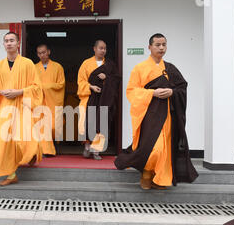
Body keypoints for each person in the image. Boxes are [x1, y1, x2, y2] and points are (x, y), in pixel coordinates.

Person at [114, 33, 198, 189]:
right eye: (157, 45)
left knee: (166, 147)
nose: (161, 48)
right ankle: (146, 172)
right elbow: (131, 91)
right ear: (149, 47)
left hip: (168, 115)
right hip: (150, 115)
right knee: (155, 148)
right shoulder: (139, 68)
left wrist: (172, 93)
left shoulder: (170, 68)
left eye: (164, 44)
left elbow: (182, 88)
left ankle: (160, 179)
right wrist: (152, 93)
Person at [0, 32, 43, 186]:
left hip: (23, 105)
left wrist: (19, 91)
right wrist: (0, 92)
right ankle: (11, 174)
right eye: (6, 41)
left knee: (23, 138)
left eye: (12, 40)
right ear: (3, 45)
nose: (9, 43)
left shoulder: (28, 64)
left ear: (18, 43)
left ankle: (31, 153)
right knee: (4, 141)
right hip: (4, 106)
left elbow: (36, 87)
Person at [77, 40, 120, 160]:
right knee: (86, 122)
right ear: (94, 49)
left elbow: (117, 79)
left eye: (105, 48)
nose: (103, 51)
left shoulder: (110, 65)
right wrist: (91, 87)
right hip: (90, 97)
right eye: (101, 48)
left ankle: (96, 150)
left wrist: (107, 78)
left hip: (105, 98)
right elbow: (80, 81)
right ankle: (87, 145)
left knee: (101, 123)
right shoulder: (86, 63)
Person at [34, 44, 65, 156]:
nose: (42, 55)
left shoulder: (58, 67)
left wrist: (46, 87)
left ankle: (52, 145)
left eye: (44, 52)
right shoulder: (34, 67)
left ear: (49, 52)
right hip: (40, 102)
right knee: (42, 125)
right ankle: (46, 150)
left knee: (54, 125)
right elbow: (32, 85)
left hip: (53, 101)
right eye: (39, 53)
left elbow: (61, 84)